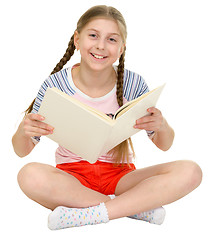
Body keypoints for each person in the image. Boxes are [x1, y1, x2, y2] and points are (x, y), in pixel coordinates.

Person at [12, 5, 202, 230]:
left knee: (191, 171)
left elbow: (165, 144)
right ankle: (132, 208)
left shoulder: (133, 84)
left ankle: (90, 213)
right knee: (29, 175)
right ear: (77, 39)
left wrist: (161, 126)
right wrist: (23, 131)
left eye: (112, 39)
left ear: (121, 48)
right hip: (71, 178)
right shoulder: (56, 85)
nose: (101, 46)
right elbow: (21, 150)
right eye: (93, 35)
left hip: (122, 177)